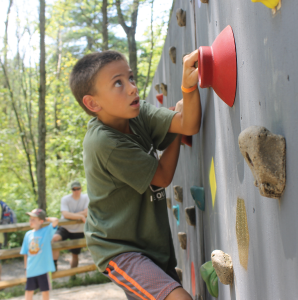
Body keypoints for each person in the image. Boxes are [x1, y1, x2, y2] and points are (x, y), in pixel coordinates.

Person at [69, 49, 201, 300]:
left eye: (130, 78)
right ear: (93, 103)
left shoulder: (139, 113)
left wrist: (188, 86)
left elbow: (189, 124)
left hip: (152, 243)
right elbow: (162, 177)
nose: (132, 88)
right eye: (118, 83)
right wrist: (174, 133)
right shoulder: (104, 142)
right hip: (118, 249)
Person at [20, 208, 58, 300]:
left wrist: (46, 218)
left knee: (45, 292)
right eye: (30, 219)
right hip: (31, 269)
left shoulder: (47, 231)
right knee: (29, 292)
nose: (31, 221)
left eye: (34, 219)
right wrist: (26, 268)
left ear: (41, 221)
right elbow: (25, 253)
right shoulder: (28, 234)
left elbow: (56, 220)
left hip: (43, 269)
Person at [52, 181, 89, 271]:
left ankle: (73, 274)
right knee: (55, 239)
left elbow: (87, 212)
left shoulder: (86, 198)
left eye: (78, 189)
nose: (76, 191)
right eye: (74, 189)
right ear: (71, 190)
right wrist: (80, 216)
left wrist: (71, 215)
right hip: (66, 227)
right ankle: (54, 265)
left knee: (75, 254)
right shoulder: (65, 199)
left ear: (81, 189)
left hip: (79, 230)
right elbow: (65, 214)